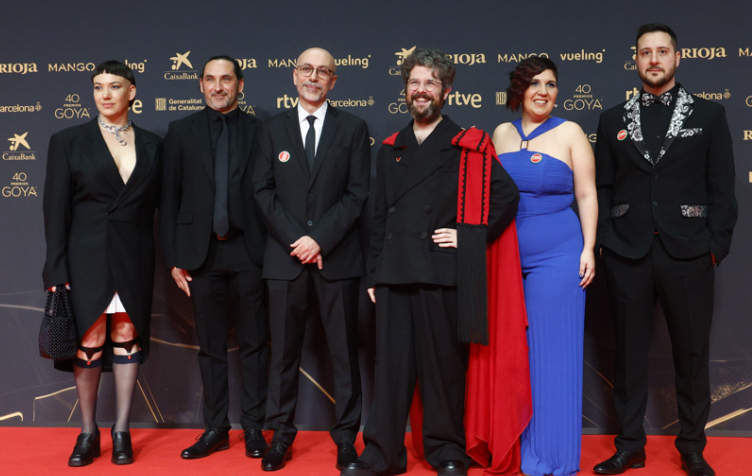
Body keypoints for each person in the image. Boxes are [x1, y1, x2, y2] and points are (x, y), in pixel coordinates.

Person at [341, 48, 520, 476]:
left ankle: (447, 452)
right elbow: (379, 216)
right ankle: (381, 454)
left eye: (430, 83)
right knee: (391, 371)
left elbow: (506, 196)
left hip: (442, 272)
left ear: (447, 91)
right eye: (414, 83)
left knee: (443, 368)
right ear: (406, 90)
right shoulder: (390, 148)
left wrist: (467, 235)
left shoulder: (468, 145)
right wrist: (374, 273)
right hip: (395, 272)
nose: (421, 90)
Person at [593, 23, 737, 476]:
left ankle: (692, 446)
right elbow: (602, 186)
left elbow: (723, 189)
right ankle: (629, 444)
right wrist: (606, 245)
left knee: (691, 355)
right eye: (644, 53)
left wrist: (714, 247)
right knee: (628, 356)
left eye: (661, 52)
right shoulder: (613, 118)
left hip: (689, 252)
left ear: (677, 58)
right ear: (635, 60)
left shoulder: (709, 116)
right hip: (628, 253)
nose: (653, 59)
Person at [253, 47, 369, 472]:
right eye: (306, 69)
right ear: (294, 75)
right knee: (282, 353)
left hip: (336, 259)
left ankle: (345, 440)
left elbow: (358, 193)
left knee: (343, 354)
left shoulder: (354, 128)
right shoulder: (271, 129)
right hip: (285, 261)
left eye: (323, 71)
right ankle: (280, 435)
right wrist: (296, 240)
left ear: (334, 80)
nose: (314, 77)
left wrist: (318, 240)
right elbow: (262, 192)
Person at [42, 60, 162, 466]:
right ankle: (88, 432)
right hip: (85, 256)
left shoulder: (152, 145)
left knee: (128, 333)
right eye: (98, 87)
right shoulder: (68, 141)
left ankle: (123, 428)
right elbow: (54, 212)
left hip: (134, 255)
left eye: (114, 86)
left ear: (132, 92)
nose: (105, 94)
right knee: (90, 339)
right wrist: (55, 268)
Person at [159, 56, 269, 460]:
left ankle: (255, 428)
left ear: (240, 84)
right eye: (210, 79)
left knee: (256, 343)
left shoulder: (262, 131)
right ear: (200, 85)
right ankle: (216, 428)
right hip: (200, 253)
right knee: (210, 346)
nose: (218, 86)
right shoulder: (180, 131)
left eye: (226, 79)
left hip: (250, 251)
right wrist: (173, 257)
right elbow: (168, 200)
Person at [492, 56, 597, 476]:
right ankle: (511, 447)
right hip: (504, 256)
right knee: (508, 356)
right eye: (534, 83)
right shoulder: (500, 133)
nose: (543, 91)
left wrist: (588, 248)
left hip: (559, 255)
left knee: (550, 355)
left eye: (551, 84)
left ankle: (551, 457)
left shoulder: (570, 132)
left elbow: (587, 194)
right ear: (519, 90)